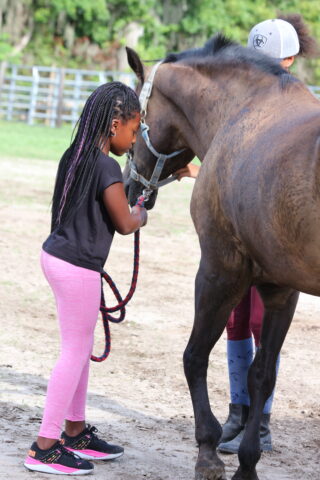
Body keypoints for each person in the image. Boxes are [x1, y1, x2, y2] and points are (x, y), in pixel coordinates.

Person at [175, 14, 317, 455]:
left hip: (272, 234)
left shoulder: (297, 105)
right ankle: (238, 411)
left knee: (260, 321)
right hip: (245, 231)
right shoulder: (249, 113)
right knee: (235, 321)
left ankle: (262, 416)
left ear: (289, 60)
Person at [24, 82, 147, 475]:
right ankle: (45, 446)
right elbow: (125, 222)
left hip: (59, 258)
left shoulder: (75, 154)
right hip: (76, 267)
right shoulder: (107, 165)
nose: (134, 139)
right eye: (133, 130)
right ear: (115, 125)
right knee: (74, 352)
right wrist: (143, 210)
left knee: (80, 347)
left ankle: (75, 431)